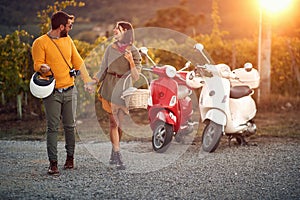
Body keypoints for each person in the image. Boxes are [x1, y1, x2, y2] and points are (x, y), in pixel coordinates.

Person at [31, 11, 94, 175]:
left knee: (70, 126)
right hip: (52, 93)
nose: (70, 28)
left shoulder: (68, 40)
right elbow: (37, 64)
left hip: (70, 90)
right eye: (69, 26)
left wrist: (87, 81)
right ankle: (53, 163)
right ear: (61, 27)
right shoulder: (40, 42)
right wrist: (42, 67)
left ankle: (70, 158)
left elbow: (78, 61)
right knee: (52, 128)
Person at [93, 21, 142, 170]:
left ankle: (114, 151)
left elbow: (136, 77)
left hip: (124, 90)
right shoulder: (110, 48)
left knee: (119, 124)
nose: (114, 30)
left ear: (125, 31)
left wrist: (131, 62)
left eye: (117, 29)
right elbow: (103, 69)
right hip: (109, 87)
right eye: (115, 27)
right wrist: (93, 82)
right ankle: (118, 154)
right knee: (113, 122)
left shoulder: (133, 51)